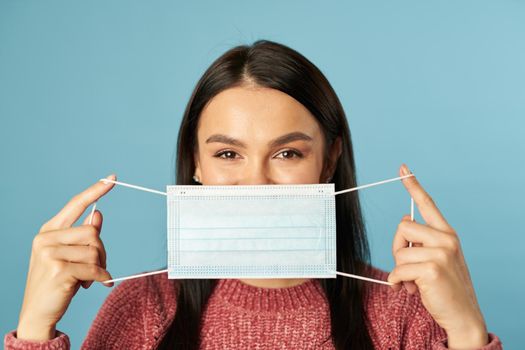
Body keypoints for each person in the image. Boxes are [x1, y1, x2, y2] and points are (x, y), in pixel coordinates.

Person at [5, 40, 502, 349]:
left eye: (287, 154)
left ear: (329, 160)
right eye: (227, 155)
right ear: (195, 164)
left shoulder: (400, 310)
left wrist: (464, 329)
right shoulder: (143, 308)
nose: (258, 184)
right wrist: (34, 329)